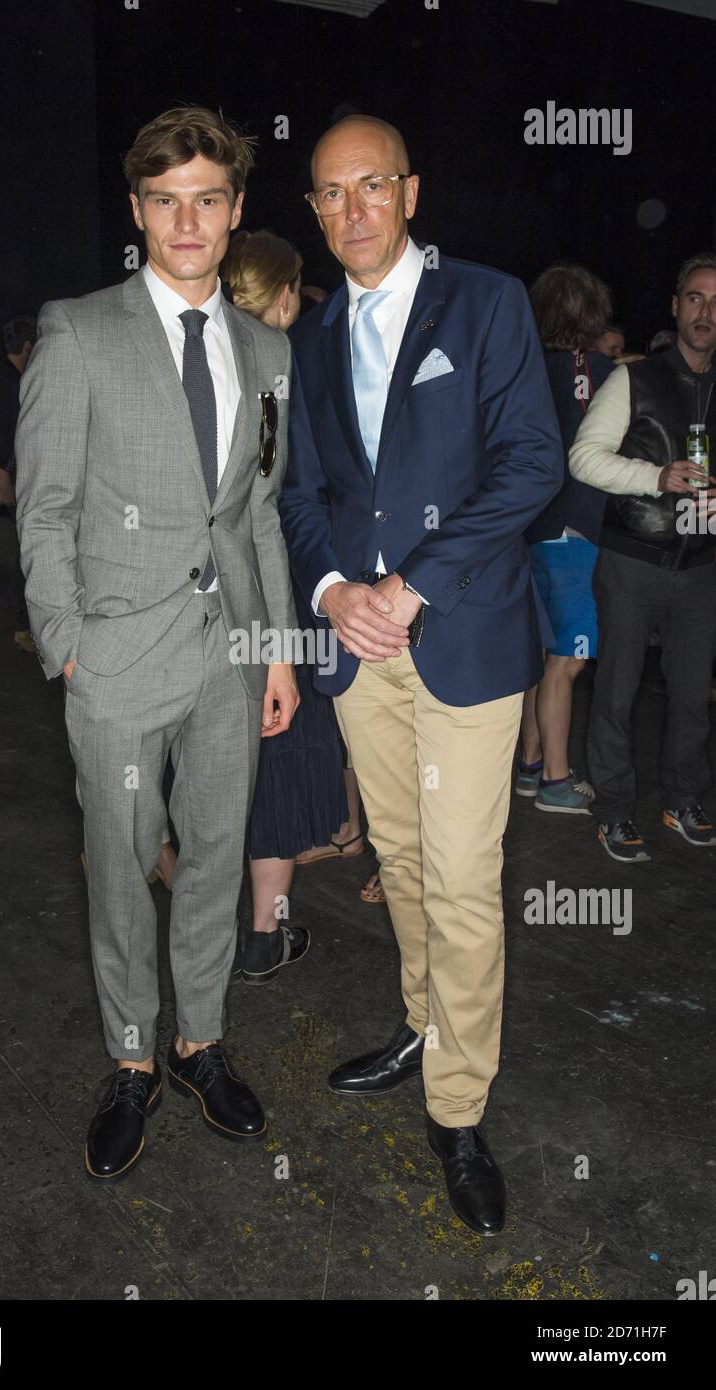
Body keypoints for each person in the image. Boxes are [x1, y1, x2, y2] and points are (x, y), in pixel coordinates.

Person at [278, 115, 563, 1235]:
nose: (350, 210)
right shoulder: (306, 339)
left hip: (463, 637)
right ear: (312, 211)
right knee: (396, 855)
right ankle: (418, 1022)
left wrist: (411, 583)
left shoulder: (486, 304)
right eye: (327, 194)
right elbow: (301, 499)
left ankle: (456, 1107)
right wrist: (331, 594)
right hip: (362, 651)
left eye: (369, 187)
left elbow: (530, 463)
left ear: (408, 190)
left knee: (456, 872)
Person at [16, 106, 299, 1181]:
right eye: (166, 199)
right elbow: (41, 510)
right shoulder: (79, 330)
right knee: (124, 870)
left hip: (231, 653)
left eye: (208, 198)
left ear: (233, 214)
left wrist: (275, 651)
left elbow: (257, 514)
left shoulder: (268, 349)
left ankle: (199, 1044)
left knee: (216, 858)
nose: (188, 219)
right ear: (139, 211)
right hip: (117, 663)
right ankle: (132, 1057)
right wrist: (68, 649)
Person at [569, 252, 716, 861]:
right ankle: (612, 809)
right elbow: (584, 457)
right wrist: (657, 477)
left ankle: (682, 799)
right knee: (617, 694)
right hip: (632, 557)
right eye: (696, 299)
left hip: (701, 568)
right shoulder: (634, 378)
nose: (707, 312)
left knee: (689, 696)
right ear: (676, 306)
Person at [221, 228, 339, 984]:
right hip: (287, 587)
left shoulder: (200, 360)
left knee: (230, 751)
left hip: (209, 591)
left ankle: (238, 928)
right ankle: (266, 930)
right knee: (283, 748)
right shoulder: (290, 368)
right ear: (287, 292)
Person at [516, 264, 615, 812]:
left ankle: (531, 766)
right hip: (574, 530)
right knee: (567, 661)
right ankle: (556, 779)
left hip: (530, 529)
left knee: (541, 654)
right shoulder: (603, 372)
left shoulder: (524, 370)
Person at [0, 315, 37, 652]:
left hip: (16, 474)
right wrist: (4, 481)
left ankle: (24, 624)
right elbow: (2, 436)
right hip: (16, 475)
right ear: (27, 347)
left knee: (22, 550)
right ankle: (22, 625)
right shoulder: (8, 382)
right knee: (23, 553)